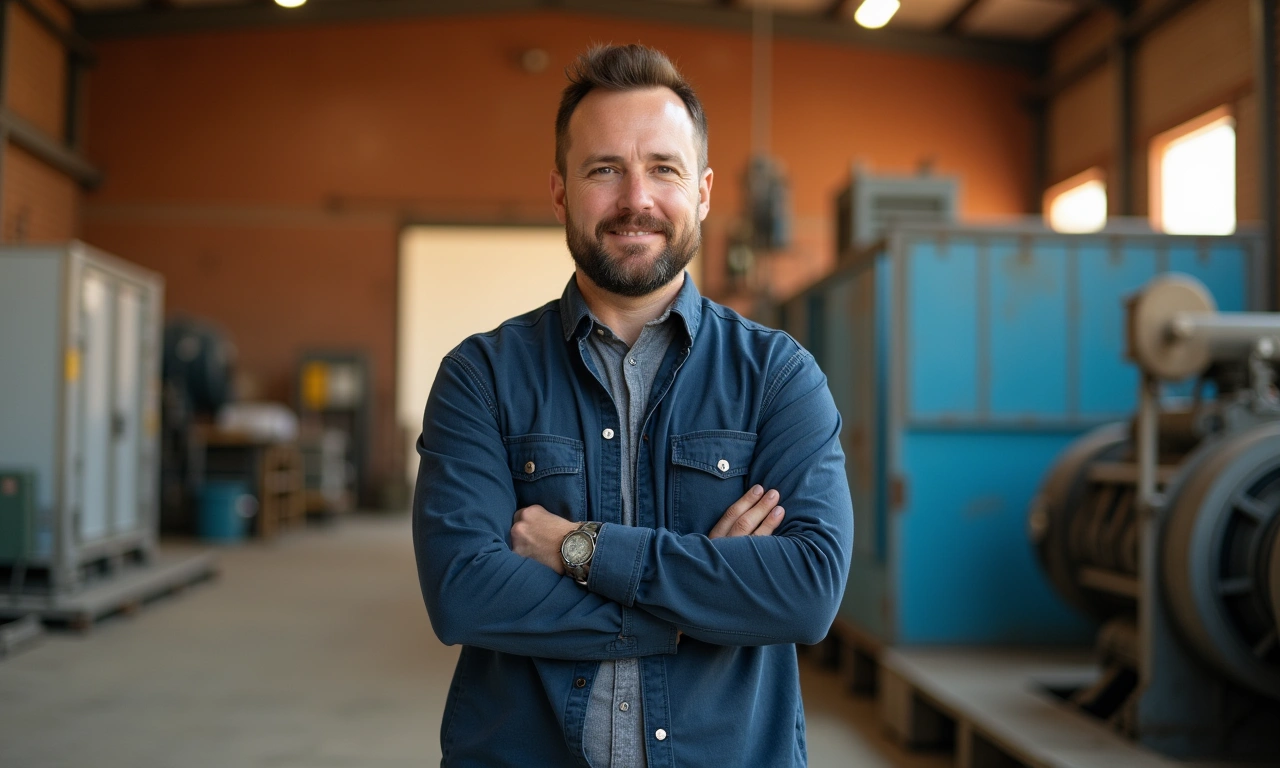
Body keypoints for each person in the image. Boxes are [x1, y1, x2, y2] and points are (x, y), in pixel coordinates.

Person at [412, 43, 853, 768]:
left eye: (664, 169)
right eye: (605, 169)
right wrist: (697, 600)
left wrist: (577, 548)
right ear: (560, 191)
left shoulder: (778, 375)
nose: (635, 199)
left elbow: (805, 594)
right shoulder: (480, 377)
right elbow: (464, 593)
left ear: (704, 191)